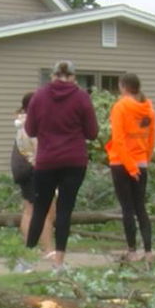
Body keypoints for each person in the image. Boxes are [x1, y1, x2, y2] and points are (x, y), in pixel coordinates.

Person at [24, 60, 99, 272]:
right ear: (74, 77)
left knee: (40, 208)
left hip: (46, 160)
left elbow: (30, 130)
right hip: (74, 160)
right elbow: (92, 133)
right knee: (65, 210)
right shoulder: (82, 98)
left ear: (52, 76)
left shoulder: (39, 97)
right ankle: (59, 262)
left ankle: (28, 257)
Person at [105, 72, 155, 262]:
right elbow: (151, 140)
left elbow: (118, 139)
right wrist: (144, 161)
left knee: (127, 208)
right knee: (140, 207)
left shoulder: (120, 107)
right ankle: (149, 251)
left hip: (121, 164)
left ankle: (132, 250)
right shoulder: (148, 110)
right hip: (141, 162)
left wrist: (129, 167)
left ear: (123, 87)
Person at [11, 92, 54, 269]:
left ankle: (31, 250)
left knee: (30, 210)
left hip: (25, 170)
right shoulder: (33, 125)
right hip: (36, 170)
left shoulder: (23, 122)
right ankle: (47, 250)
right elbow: (40, 151)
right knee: (45, 211)